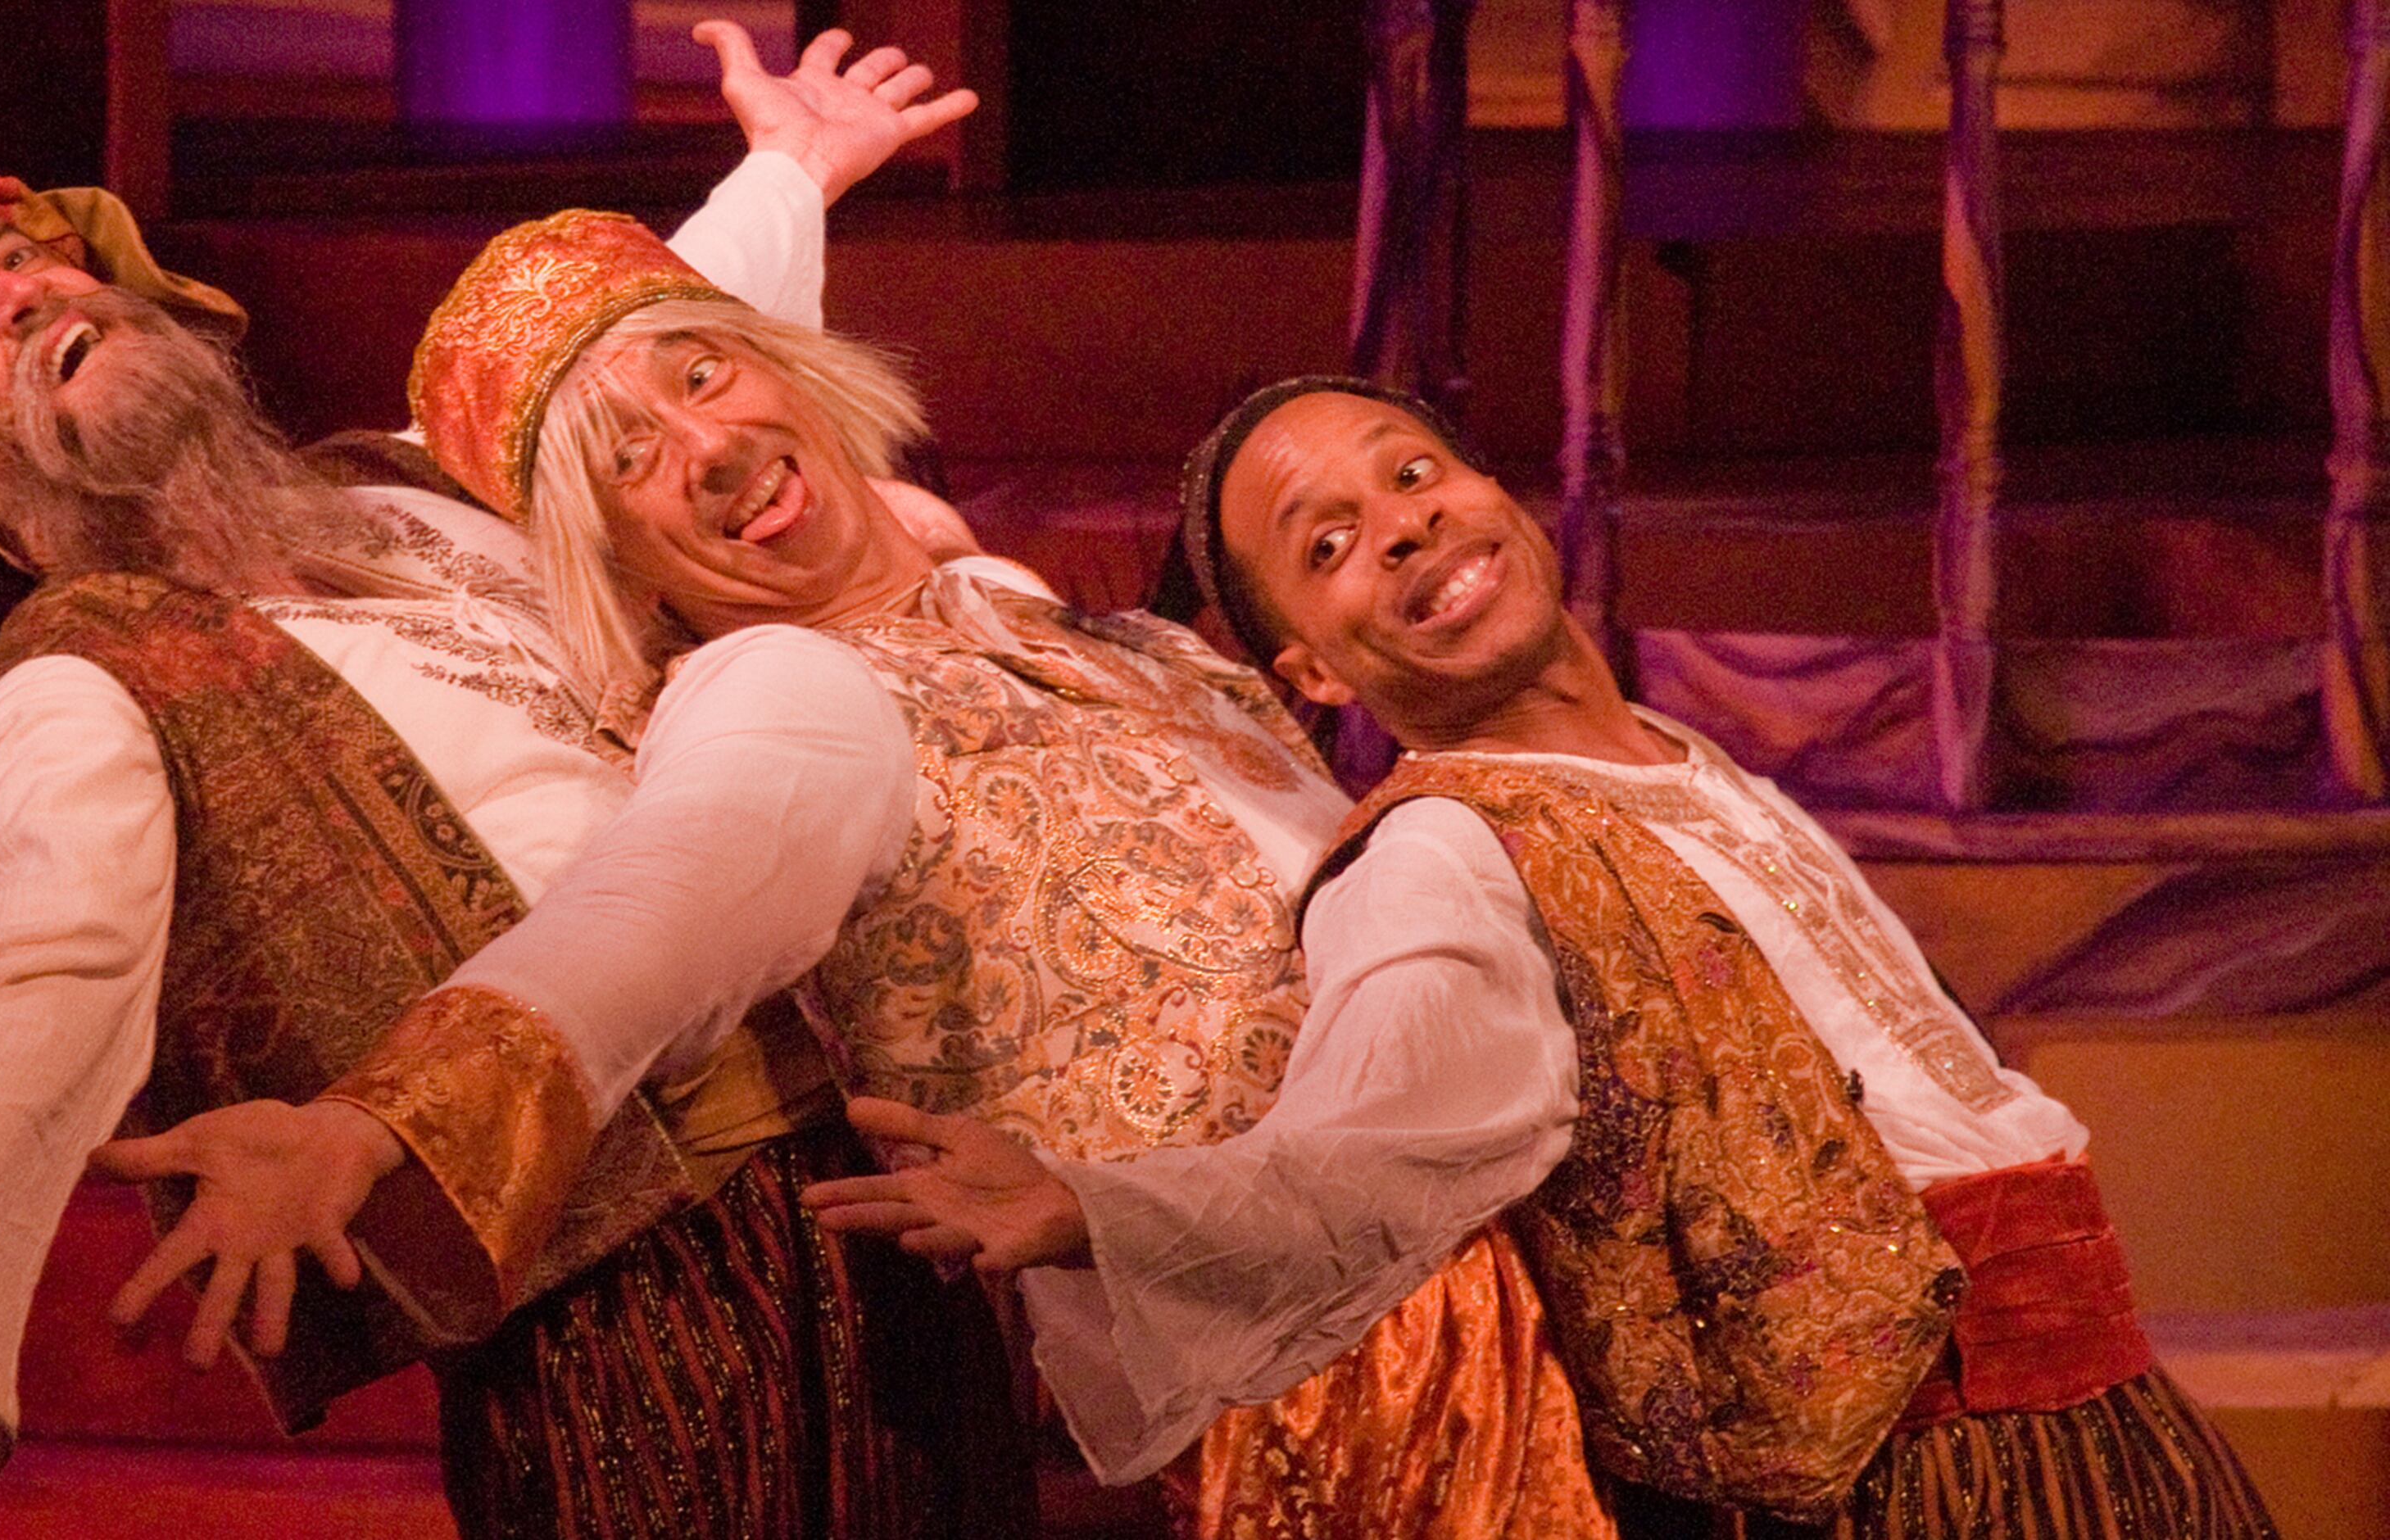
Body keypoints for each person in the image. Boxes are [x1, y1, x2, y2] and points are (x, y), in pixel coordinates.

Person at [0, 27, 1034, 1538]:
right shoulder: (85, 673)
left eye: (19, 253)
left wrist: (793, 167)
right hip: (620, 1293)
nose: (18, 292)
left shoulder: (409, 488)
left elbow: (611, 378)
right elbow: (38, 966)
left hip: (885, 1212)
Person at [126, 211, 1617, 1538]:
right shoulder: (775, 689)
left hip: (1536, 1282)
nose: (704, 448)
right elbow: (660, 906)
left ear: (790, 371)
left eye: (703, 373)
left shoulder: (1089, 629)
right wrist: (382, 1127)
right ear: (614, 556)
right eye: (627, 457)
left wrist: (792, 163)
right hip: (1313, 1393)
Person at [806, 374, 2283, 1538]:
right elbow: (1369, 1151)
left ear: (1495, 493)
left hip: (2109, 1417)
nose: (1399, 525)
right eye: (1325, 545)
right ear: (1314, 671)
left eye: (1410, 473)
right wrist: (1089, 1210)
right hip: (1919, 1476)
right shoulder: (1445, 853)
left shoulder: (1695, 763)